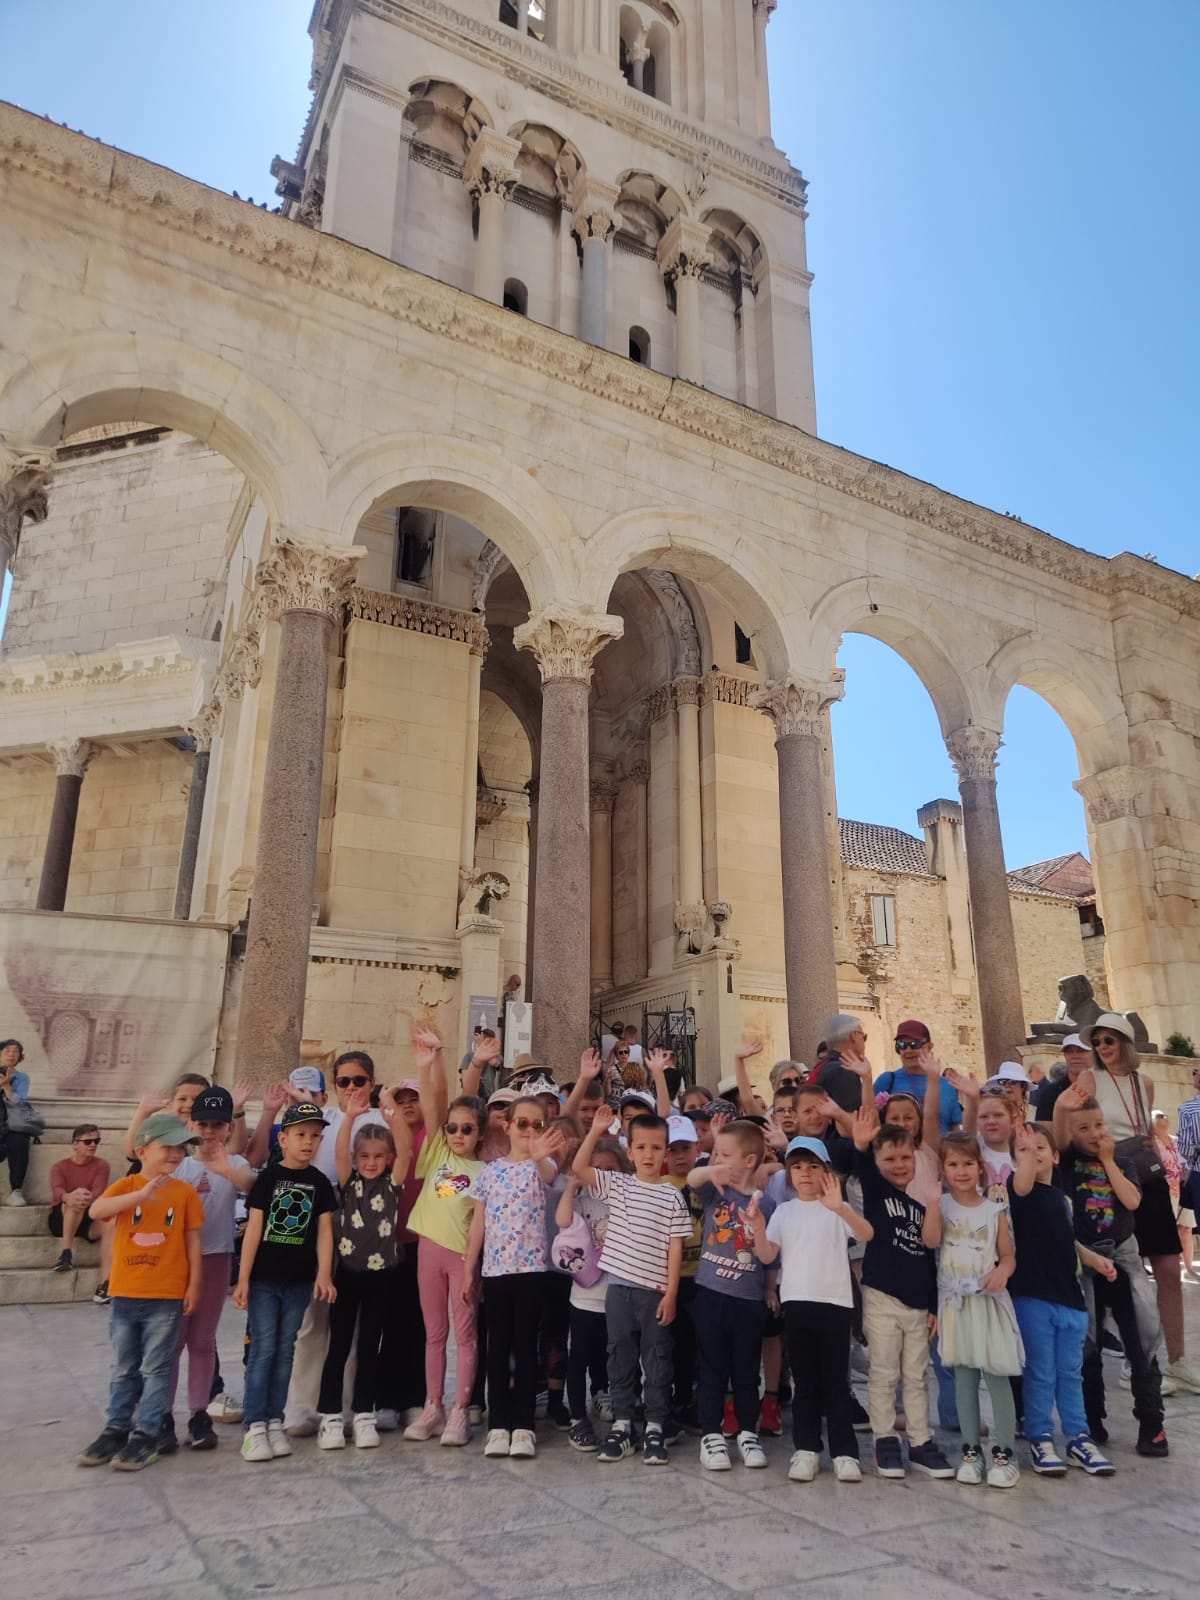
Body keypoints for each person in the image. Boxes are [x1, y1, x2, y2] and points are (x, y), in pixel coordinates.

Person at [1076, 1014, 1200, 1395]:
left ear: (1125, 1042)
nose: (1102, 1047)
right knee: (1128, 1273)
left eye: (1109, 1040)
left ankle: (1177, 1361)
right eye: (1097, 1041)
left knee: (1168, 1268)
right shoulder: (1089, 1080)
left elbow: (1143, 1128)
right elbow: (1079, 1126)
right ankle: (1136, 1360)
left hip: (1147, 1177)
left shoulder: (1143, 1083)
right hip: (1109, 1177)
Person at [78, 1113, 204, 1471]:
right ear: (143, 1150)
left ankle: (147, 1433)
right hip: (126, 1292)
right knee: (124, 1366)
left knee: (156, 1367)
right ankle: (116, 1427)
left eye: (181, 1148)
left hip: (166, 1294)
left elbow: (193, 1241)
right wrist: (140, 1195)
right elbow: (97, 1210)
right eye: (168, 1147)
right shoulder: (127, 1185)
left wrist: (194, 1284)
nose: (176, 1154)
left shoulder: (184, 1192)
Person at [746, 1135, 872, 1483]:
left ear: (826, 1172)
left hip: (836, 1304)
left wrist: (840, 1208)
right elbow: (767, 1255)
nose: (805, 1173)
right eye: (798, 1166)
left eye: (813, 1166)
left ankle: (845, 1452)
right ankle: (806, 1449)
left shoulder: (837, 1208)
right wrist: (758, 1229)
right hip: (797, 1304)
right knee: (805, 1382)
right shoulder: (784, 1211)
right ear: (788, 1173)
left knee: (836, 1382)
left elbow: (866, 1233)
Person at [1052, 1083, 1169, 1457]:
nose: (1094, 1133)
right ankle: (1091, 1421)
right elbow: (1056, 1136)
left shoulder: (1122, 1161)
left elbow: (1131, 1200)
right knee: (1086, 1345)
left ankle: (1152, 1425)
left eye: (1099, 1125)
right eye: (1083, 1128)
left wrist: (1107, 1162)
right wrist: (1061, 1107)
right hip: (1084, 1264)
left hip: (1123, 1260)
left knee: (1141, 1344)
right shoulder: (1065, 1163)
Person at [573, 1108, 693, 1465]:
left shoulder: (672, 1196)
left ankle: (655, 1425)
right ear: (630, 1151)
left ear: (665, 1151)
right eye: (641, 1147)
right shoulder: (619, 1185)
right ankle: (623, 1423)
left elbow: (675, 1247)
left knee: (657, 1358)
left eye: (656, 1148)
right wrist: (595, 1131)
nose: (648, 1155)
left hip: (655, 1293)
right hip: (619, 1291)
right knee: (619, 1355)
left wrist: (671, 1294)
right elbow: (579, 1168)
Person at [849, 1105, 953, 1479]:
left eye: (905, 1158)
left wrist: (934, 1306)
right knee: (883, 1372)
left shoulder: (922, 1207)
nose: (898, 1165)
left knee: (916, 1375)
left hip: (918, 1304)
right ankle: (885, 1438)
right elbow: (864, 1167)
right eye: (889, 1159)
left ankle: (920, 1441)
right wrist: (862, 1146)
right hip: (882, 1298)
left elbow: (930, 1258)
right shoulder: (877, 1193)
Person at [1006, 1122, 1115, 1476]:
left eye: (1040, 1148)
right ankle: (1040, 1436)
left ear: (1055, 1156)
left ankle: (1078, 1437)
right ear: (1014, 1160)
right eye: (1023, 1149)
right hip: (1033, 1297)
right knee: (1040, 1372)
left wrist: (1093, 1258)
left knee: (1071, 1373)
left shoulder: (1063, 1200)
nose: (1033, 1154)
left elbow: (1068, 1240)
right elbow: (1023, 1183)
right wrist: (1026, 1159)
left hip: (1071, 1300)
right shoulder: (1018, 1190)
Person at [234, 1101, 337, 1463]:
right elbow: (254, 1229)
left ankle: (274, 1419)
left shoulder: (319, 1183)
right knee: (263, 1349)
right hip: (264, 1279)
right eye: (301, 1134)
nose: (308, 1142)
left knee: (285, 1350)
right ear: (284, 1139)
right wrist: (243, 1278)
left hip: (299, 1281)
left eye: (315, 1136)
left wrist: (324, 1273)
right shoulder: (268, 1179)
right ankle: (254, 1425)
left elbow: (325, 1231)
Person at [464, 1096, 566, 1460]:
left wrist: (539, 1155)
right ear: (506, 1125)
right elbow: (478, 1223)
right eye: (522, 1123)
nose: (528, 1130)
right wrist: (469, 1270)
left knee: (525, 1347)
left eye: (537, 1125)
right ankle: (498, 1423)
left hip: (531, 1271)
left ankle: (523, 1425)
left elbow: (549, 1177)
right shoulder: (490, 1172)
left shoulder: (542, 1166)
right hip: (495, 1271)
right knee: (496, 1348)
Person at [922, 1131, 1024, 1489]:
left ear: (980, 1167)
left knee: (997, 1375)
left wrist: (1002, 1271)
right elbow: (930, 1241)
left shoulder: (994, 1210)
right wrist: (931, 1203)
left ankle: (1005, 1453)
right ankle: (971, 1451)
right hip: (956, 1306)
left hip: (988, 1305)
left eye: (968, 1163)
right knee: (963, 1377)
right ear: (943, 1169)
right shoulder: (940, 1206)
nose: (961, 1170)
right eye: (953, 1164)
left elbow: (1008, 1256)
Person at [402, 1030, 485, 1447]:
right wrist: (427, 1064)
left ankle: (460, 1409)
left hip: (461, 1258)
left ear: (480, 1133)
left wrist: (471, 1270)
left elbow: (480, 1225)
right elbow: (434, 1107)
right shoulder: (438, 1152)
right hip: (428, 1253)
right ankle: (433, 1405)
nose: (457, 1134)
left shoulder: (485, 1172)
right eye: (453, 1128)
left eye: (467, 1129)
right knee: (434, 1333)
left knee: (464, 1335)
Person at [316, 1088, 408, 1451]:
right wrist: (351, 1117)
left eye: (378, 1156)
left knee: (370, 1344)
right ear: (356, 1159)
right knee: (339, 1345)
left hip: (381, 1277)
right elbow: (340, 1152)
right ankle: (330, 1415)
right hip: (348, 1275)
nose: (371, 1162)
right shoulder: (349, 1183)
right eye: (365, 1156)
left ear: (388, 1159)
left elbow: (406, 1149)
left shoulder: (392, 1185)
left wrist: (392, 1116)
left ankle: (364, 1413)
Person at [165, 1087, 252, 1453]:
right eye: (203, 1124)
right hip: (177, 1261)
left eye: (218, 1124)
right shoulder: (179, 1165)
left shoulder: (236, 1163)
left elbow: (253, 1184)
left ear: (229, 1128)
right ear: (191, 1125)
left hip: (217, 1258)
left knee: (202, 1341)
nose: (210, 1131)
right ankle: (162, 1415)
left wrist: (227, 1171)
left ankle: (199, 1413)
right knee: (172, 1342)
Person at [687, 1120, 775, 1471]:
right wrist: (711, 1169)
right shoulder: (715, 1190)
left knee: (746, 1370)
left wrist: (770, 1289)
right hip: (711, 1295)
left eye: (725, 1155)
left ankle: (747, 1432)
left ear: (749, 1161)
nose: (718, 1160)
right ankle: (711, 1435)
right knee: (711, 1369)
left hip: (748, 1301)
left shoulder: (768, 1204)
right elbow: (693, 1179)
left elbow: (771, 1256)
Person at [555, 1139, 625, 1451]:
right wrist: (572, 1187)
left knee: (615, 1356)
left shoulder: (627, 1202)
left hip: (619, 1298)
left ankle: (610, 1400)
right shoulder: (582, 1201)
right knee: (579, 1357)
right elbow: (562, 1220)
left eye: (612, 1169)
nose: (604, 1175)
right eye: (597, 1169)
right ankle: (577, 1418)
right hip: (584, 1298)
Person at [663, 1113, 703, 1434]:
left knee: (696, 1343)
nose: (679, 1156)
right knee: (672, 1344)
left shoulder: (706, 1182)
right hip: (669, 1279)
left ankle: (690, 1399)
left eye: (685, 1149)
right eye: (673, 1149)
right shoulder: (661, 1186)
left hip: (702, 1277)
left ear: (697, 1149)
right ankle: (671, 1399)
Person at [873, 1021, 962, 1135]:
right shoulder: (886, 1081)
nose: (908, 1050)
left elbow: (955, 1129)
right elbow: (871, 1118)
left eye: (915, 1044)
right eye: (902, 1045)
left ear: (929, 1047)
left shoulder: (947, 1086)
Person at [49, 1124, 109, 1271]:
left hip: (88, 1215)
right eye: (88, 1141)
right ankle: (66, 1254)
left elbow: (98, 1192)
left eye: (96, 1141)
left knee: (113, 1222)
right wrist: (69, 1197)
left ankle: (111, 1273)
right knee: (76, 1199)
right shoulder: (60, 1167)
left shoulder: (102, 1166)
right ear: (75, 1144)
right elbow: (57, 1190)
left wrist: (82, 1197)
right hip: (61, 1217)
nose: (93, 1145)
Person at [1150, 1109, 1194, 1278]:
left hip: (1184, 1189)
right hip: (1165, 1192)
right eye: (1159, 1116)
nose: (1164, 1118)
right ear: (1152, 1124)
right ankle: (1167, 1269)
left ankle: (1188, 1269)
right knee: (1167, 1231)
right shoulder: (1151, 1144)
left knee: (1186, 1229)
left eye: (1165, 1116)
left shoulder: (1177, 1141)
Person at [0, 1038, 34, 1206]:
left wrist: (7, 1087)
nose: (12, 1054)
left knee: (20, 1141)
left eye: (16, 1051)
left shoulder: (22, 1078)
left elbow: (19, 1103)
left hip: (12, 1123)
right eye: (7, 1051)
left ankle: (16, 1191)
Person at [1033, 1034, 1092, 1121]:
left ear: (1093, 1054)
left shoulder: (1107, 1085)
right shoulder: (1051, 1093)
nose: (1075, 1056)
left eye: (1081, 1050)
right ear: (1064, 1055)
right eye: (1069, 1051)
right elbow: (1044, 1127)